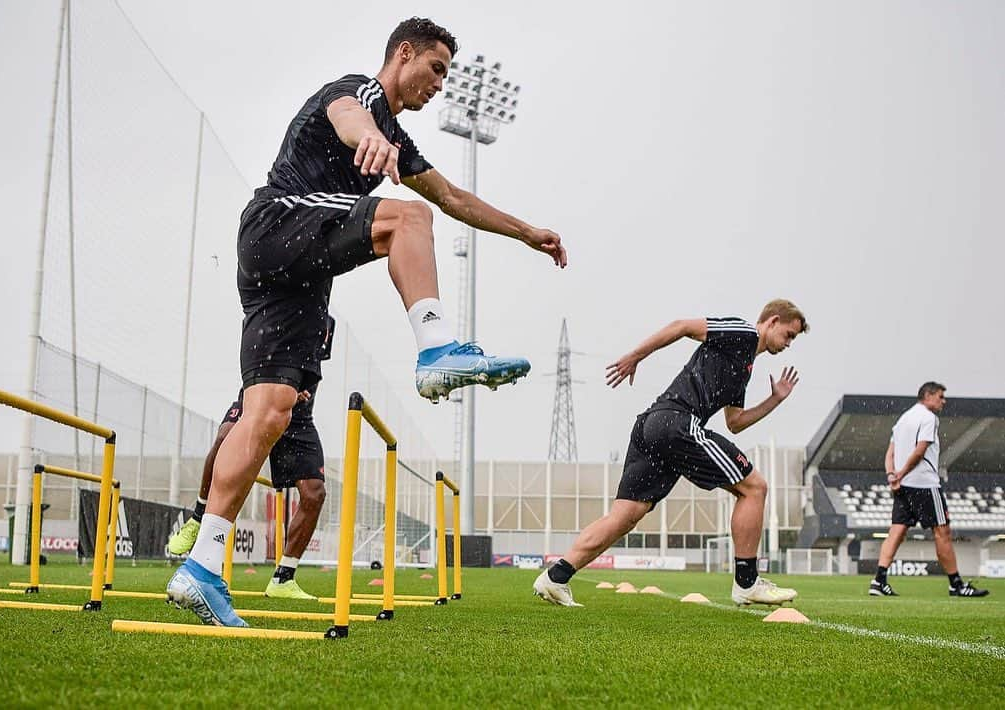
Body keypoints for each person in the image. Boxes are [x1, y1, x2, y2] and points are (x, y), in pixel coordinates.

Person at [168, 17, 565, 626]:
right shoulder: (361, 94)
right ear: (403, 53)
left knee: (270, 412)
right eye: (435, 69)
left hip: (292, 277)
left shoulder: (399, 140)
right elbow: (348, 112)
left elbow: (455, 199)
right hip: (279, 222)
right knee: (408, 219)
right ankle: (437, 350)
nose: (439, 85)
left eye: (446, 75)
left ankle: (201, 565)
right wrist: (370, 139)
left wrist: (526, 232)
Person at [534, 300, 809, 607]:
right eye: (788, 335)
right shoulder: (743, 332)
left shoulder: (743, 365)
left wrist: (775, 400)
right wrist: (636, 357)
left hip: (651, 426)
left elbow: (736, 423)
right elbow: (683, 327)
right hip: (676, 422)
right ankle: (747, 583)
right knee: (754, 487)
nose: (788, 343)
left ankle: (555, 577)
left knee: (625, 516)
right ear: (771, 321)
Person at [166, 319, 337, 602]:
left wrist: (298, 387)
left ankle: (284, 578)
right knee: (226, 435)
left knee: (314, 493)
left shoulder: (323, 319)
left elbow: (313, 361)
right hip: (261, 397)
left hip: (299, 414)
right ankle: (197, 517)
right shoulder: (273, 299)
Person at [869, 382, 989, 598]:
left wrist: (892, 476)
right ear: (928, 395)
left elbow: (890, 453)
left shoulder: (903, 418)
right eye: (941, 396)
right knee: (942, 532)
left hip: (903, 487)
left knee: (897, 531)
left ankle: (878, 580)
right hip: (924, 484)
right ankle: (956, 584)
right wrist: (902, 473)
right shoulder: (928, 418)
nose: (944, 401)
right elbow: (920, 450)